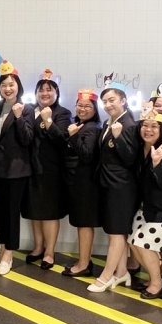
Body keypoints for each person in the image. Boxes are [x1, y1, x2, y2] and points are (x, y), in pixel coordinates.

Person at [125, 105, 162, 299]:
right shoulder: (139, 149)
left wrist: (157, 163)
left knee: (141, 244)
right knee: (133, 242)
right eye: (145, 125)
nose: (148, 130)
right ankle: (156, 275)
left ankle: (157, 283)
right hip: (147, 208)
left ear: (161, 129)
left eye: (154, 126)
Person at [89, 78, 140, 292]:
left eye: (112, 100)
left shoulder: (129, 125)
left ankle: (106, 276)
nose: (108, 105)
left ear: (123, 100)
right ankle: (121, 272)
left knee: (117, 233)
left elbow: (131, 159)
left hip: (122, 187)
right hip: (108, 184)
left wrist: (118, 138)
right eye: (105, 102)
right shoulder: (108, 123)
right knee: (114, 231)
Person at [0, 60, 34, 275]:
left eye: (11, 84)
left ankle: (9, 254)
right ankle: (3, 248)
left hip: (16, 170)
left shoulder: (27, 109)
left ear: (18, 86)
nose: (7, 88)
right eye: (4, 85)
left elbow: (28, 139)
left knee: (12, 213)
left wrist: (19, 116)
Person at [23, 70, 71, 270]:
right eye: (41, 90)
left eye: (49, 90)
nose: (45, 93)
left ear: (56, 93)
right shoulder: (29, 110)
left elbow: (62, 140)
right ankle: (38, 247)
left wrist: (48, 121)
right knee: (34, 210)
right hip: (31, 169)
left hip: (52, 171)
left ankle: (50, 252)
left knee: (50, 212)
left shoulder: (63, 113)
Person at [63, 90, 102, 278]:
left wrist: (73, 136)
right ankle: (84, 260)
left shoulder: (92, 128)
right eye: (80, 105)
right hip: (79, 183)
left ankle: (84, 264)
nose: (83, 109)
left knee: (85, 224)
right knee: (81, 223)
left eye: (87, 106)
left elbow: (87, 155)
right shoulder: (81, 125)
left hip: (87, 185)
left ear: (95, 109)